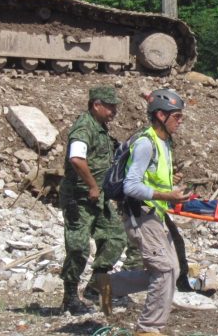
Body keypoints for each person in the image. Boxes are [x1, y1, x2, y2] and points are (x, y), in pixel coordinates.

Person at [97, 89, 191, 336]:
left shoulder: (164, 142)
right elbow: (131, 185)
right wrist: (166, 195)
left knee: (173, 269)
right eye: (177, 116)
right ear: (161, 115)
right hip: (141, 215)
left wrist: (170, 185)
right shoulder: (145, 143)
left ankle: (109, 285)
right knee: (165, 270)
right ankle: (148, 329)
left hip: (155, 214)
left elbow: (151, 178)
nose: (180, 121)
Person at [59, 86, 126, 314]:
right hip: (79, 198)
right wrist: (92, 185)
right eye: (110, 106)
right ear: (96, 105)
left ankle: (95, 285)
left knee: (116, 238)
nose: (114, 111)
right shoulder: (84, 127)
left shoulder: (101, 129)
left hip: (99, 198)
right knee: (78, 248)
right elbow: (77, 159)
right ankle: (69, 297)